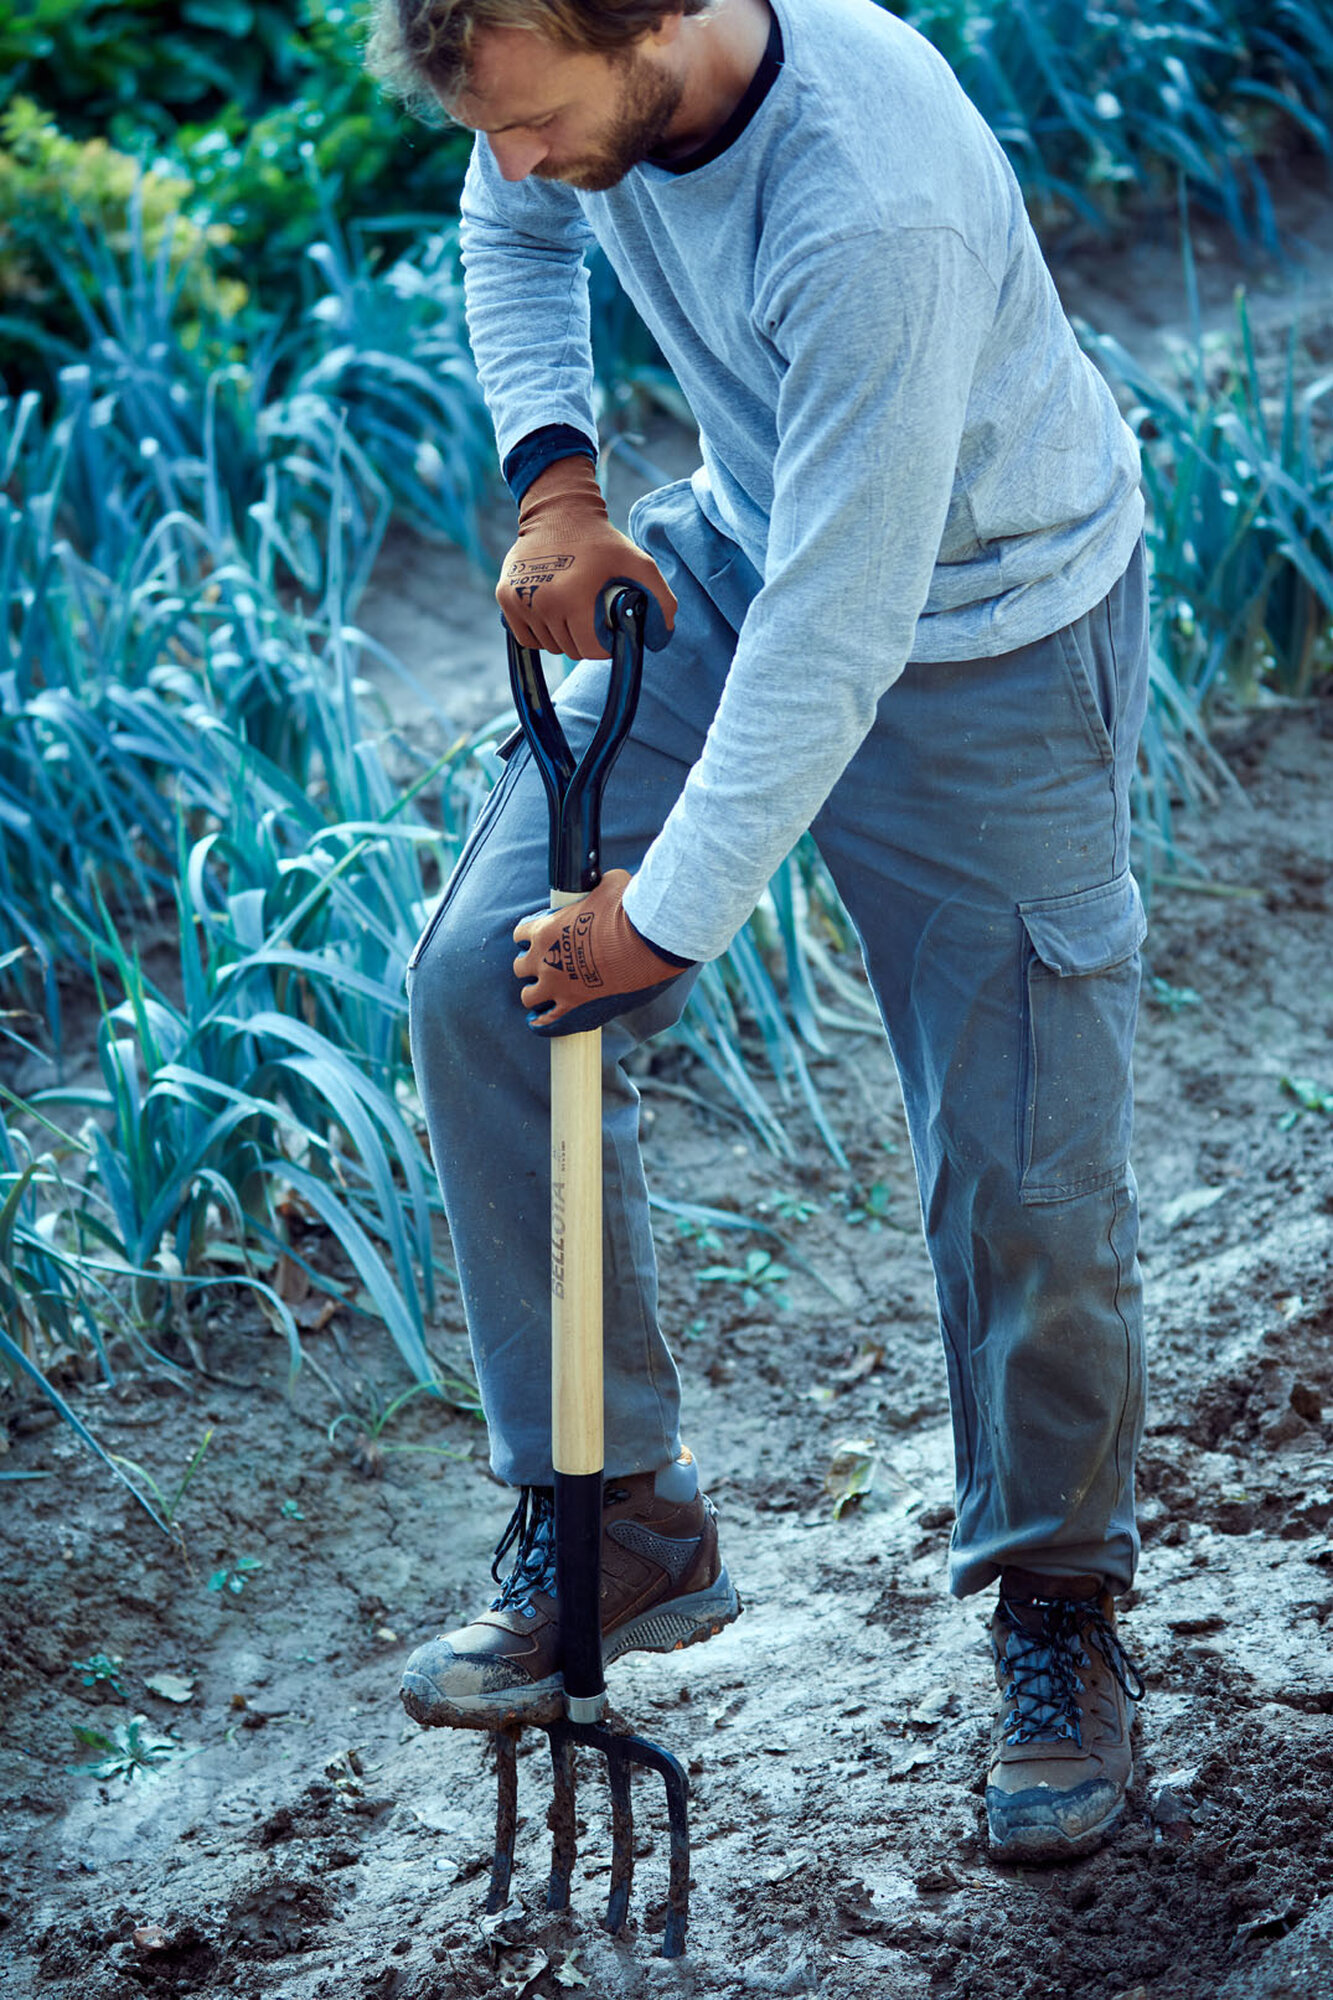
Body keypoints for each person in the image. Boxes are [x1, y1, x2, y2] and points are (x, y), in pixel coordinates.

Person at [367, 0, 1150, 1862]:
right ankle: (614, 1515)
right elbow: (514, 210)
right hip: (749, 547)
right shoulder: (566, 98)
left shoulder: (864, 205)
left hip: (986, 623)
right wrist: (556, 477)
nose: (525, 158)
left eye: (546, 118)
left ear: (650, 19)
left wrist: (673, 918)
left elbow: (846, 622)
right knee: (492, 980)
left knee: (1023, 1158)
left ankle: (1056, 1609)